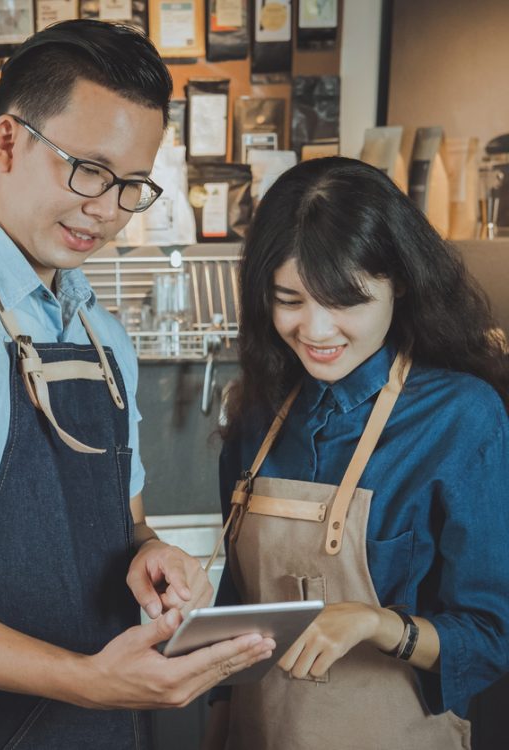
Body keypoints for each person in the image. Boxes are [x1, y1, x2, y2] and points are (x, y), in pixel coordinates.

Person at [0, 19, 274, 750]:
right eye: (89, 171)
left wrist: (150, 556)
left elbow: (123, 525)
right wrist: (85, 679)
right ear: (7, 142)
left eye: (131, 185)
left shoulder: (98, 328)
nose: (106, 210)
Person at [203, 156, 509, 750]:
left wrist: (377, 624)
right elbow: (239, 603)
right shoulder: (260, 411)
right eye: (289, 299)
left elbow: (492, 634)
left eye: (345, 301)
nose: (315, 331)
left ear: (400, 281)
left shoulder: (462, 416)